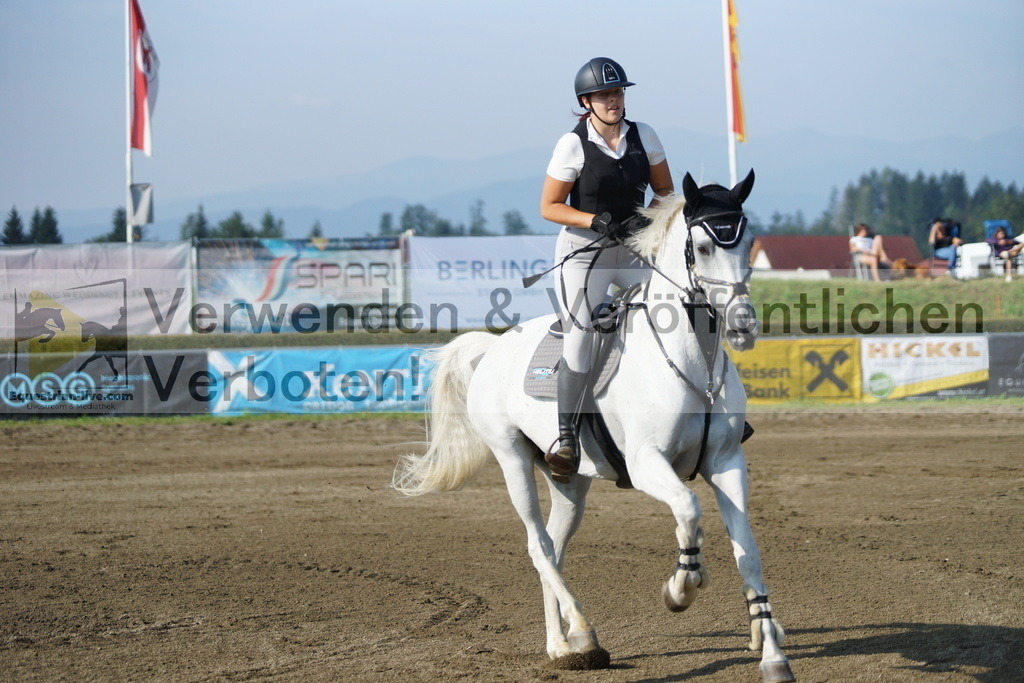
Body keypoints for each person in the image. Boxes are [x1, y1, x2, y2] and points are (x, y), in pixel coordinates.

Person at [539, 57, 674, 480]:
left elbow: (665, 192)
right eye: (604, 95)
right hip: (585, 254)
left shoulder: (644, 134)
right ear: (587, 101)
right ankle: (565, 438)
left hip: (632, 249)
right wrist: (591, 219)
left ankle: (713, 407)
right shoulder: (572, 144)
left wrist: (646, 218)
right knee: (581, 335)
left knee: (683, 308)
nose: (613, 100)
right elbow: (549, 207)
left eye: (618, 92)